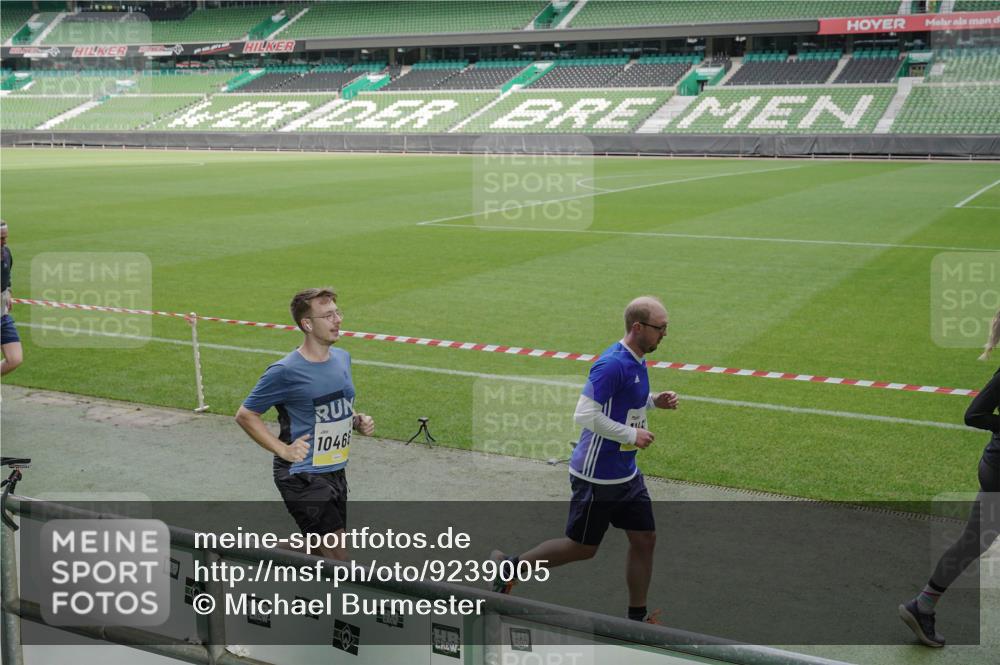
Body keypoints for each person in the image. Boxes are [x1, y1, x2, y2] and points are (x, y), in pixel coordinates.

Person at [491, 296, 678, 623]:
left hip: (626, 473)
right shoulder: (612, 364)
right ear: (638, 327)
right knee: (582, 547)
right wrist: (631, 436)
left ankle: (637, 619)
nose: (664, 334)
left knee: (645, 538)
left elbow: (622, 403)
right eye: (660, 328)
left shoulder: (637, 359)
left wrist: (652, 402)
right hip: (597, 476)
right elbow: (585, 414)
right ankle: (510, 566)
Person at [236, 287, 374, 561]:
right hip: (301, 474)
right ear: (307, 324)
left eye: (337, 312)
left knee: (318, 550)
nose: (337, 320)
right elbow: (245, 415)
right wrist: (283, 450)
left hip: (335, 468)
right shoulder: (284, 371)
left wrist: (356, 420)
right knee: (339, 559)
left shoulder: (342, 358)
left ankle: (250, 551)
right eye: (328, 315)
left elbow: (336, 403)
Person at [899, 309, 1000, 647]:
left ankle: (922, 605)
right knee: (975, 541)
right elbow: (974, 415)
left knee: (974, 542)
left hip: (994, 467)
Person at [1, 221, 23, 377]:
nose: (4, 241)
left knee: (15, 359)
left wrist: (8, 291)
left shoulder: (6, 253)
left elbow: (7, 278)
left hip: (2, 315)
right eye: (1, 238)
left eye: (5, 237)